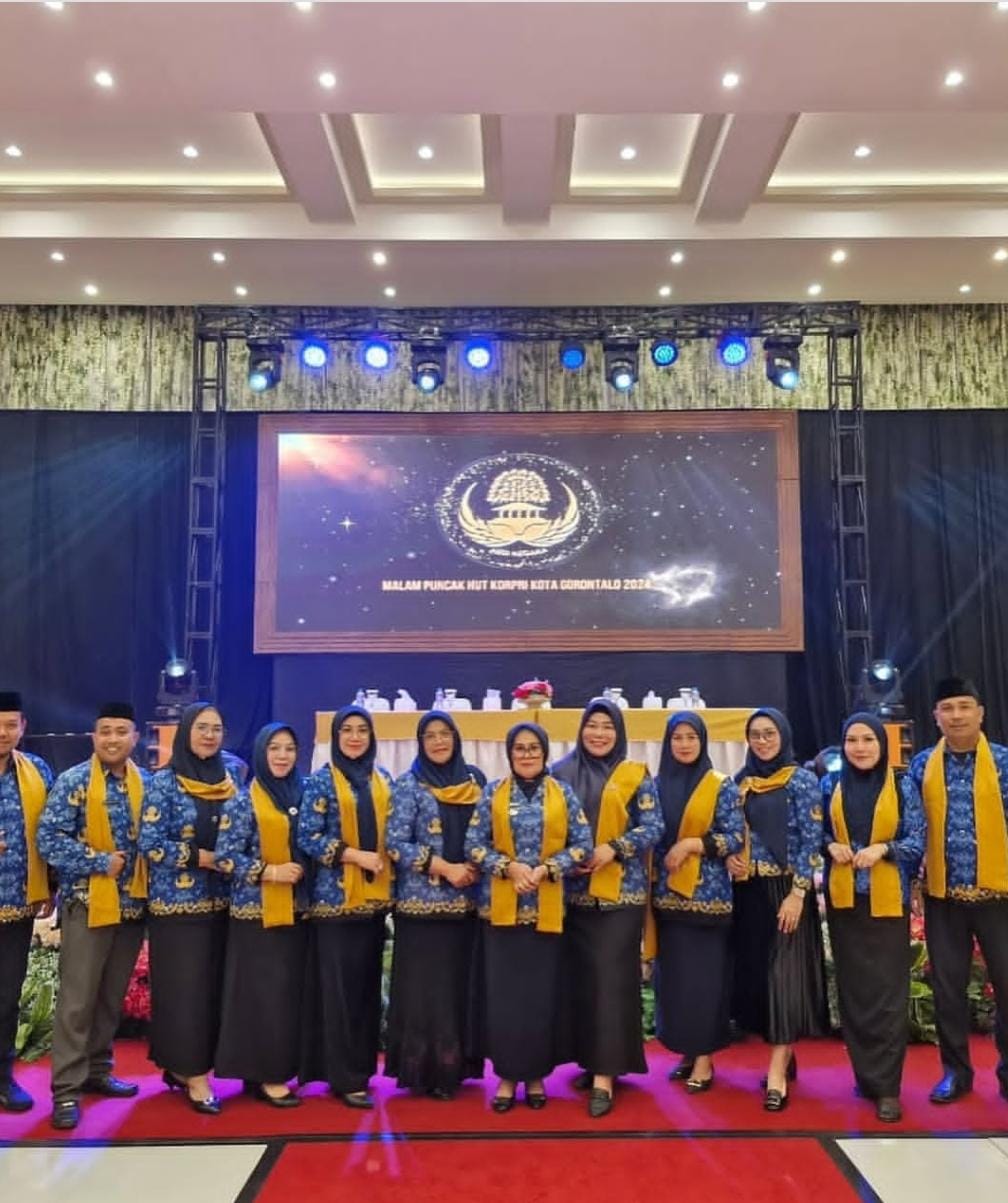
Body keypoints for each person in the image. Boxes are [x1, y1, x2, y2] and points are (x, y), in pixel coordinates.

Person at [464, 721, 592, 1112]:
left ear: (545, 752)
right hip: (500, 915)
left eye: (533, 747)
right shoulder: (493, 792)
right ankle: (506, 1077)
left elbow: (583, 845)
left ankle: (536, 1077)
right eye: (519, 748)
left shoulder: (562, 793)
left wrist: (547, 869)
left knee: (539, 999)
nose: (526, 754)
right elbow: (473, 844)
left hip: (546, 914)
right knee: (505, 1000)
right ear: (509, 753)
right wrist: (509, 867)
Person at [37, 703, 150, 1131]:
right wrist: (99, 862)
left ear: (135, 737)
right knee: (78, 1000)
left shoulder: (146, 784)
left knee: (109, 997)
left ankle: (98, 1070)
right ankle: (66, 1089)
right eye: (105, 731)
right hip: (87, 904)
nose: (113, 739)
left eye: (121, 731)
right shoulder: (74, 782)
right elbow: (48, 839)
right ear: (94, 737)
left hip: (131, 907)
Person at [552, 698, 662, 1118]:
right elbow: (548, 823)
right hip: (573, 894)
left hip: (620, 896)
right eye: (592, 725)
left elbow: (654, 826)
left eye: (607, 727)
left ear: (619, 732)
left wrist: (613, 849)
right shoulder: (560, 773)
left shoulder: (635, 774)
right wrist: (567, 856)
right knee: (583, 982)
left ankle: (605, 1075)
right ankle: (591, 1059)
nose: (599, 734)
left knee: (611, 982)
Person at [908, 676, 1008, 1104]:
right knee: (947, 990)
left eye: (965, 707)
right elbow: (913, 828)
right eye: (947, 708)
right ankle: (955, 1072)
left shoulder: (1003, 762)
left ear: (980, 713)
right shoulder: (922, 766)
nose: (957, 715)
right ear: (936, 717)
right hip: (943, 898)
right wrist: (912, 881)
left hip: (1000, 897)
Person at [823, 712, 925, 1122]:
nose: (860, 747)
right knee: (855, 993)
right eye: (852, 740)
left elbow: (918, 839)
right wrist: (830, 846)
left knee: (887, 993)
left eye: (868, 739)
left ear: (882, 744)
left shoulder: (901, 785)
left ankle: (887, 1087)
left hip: (887, 902)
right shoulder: (831, 785)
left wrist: (884, 849)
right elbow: (815, 834)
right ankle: (866, 1077)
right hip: (845, 901)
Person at [139, 702, 239, 1114]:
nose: (210, 735)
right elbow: (149, 843)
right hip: (177, 907)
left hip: (223, 903)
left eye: (216, 728)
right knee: (185, 992)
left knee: (212, 990)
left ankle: (183, 1067)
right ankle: (193, 1074)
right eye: (201, 727)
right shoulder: (164, 782)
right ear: (185, 732)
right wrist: (201, 858)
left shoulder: (231, 778)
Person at [727, 707, 828, 1112]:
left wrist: (798, 893)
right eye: (755, 734)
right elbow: (729, 831)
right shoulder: (741, 781)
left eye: (769, 733)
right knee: (759, 979)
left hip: (787, 892)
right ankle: (785, 1053)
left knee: (783, 977)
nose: (762, 741)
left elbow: (811, 839)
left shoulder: (801, 780)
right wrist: (731, 856)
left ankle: (775, 1075)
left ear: (783, 736)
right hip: (749, 893)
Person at [297, 704, 394, 1108]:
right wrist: (355, 856)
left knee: (365, 991)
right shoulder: (322, 781)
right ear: (336, 738)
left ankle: (361, 1070)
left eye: (362, 730)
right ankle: (343, 1076)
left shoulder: (382, 779)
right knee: (338, 994)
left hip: (373, 906)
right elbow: (308, 836)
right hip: (334, 905)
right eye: (347, 730)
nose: (355, 737)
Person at [385, 711, 486, 1099]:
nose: (439, 741)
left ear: (456, 739)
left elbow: (487, 831)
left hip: (466, 906)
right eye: (430, 735)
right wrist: (445, 868)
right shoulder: (408, 785)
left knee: (457, 990)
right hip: (421, 910)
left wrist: (477, 865)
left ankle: (456, 1067)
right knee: (426, 994)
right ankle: (426, 1072)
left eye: (446, 734)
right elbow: (396, 844)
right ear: (421, 742)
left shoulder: (474, 782)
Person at [214, 722, 308, 1107]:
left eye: (289, 748)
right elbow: (224, 857)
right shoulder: (243, 800)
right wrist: (269, 872)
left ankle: (273, 1069)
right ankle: (266, 1075)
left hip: (299, 911)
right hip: (257, 914)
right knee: (262, 996)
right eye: (274, 748)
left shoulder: (304, 794)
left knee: (285, 996)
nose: (282, 756)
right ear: (260, 753)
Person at [651, 712, 744, 1097]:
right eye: (678, 737)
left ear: (702, 742)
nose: (685, 744)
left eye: (692, 737)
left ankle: (705, 1058)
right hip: (666, 899)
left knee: (705, 983)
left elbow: (735, 837)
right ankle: (688, 1051)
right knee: (676, 983)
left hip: (708, 902)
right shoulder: (656, 785)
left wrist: (692, 844)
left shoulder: (720, 784)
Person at [0, 691, 54, 1113]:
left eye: (10, 725)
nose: (3, 733)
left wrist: (49, 885)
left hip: (16, 905)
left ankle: (2, 1077)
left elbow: (49, 834)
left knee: (6, 997)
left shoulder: (36, 771)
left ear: (23, 728)